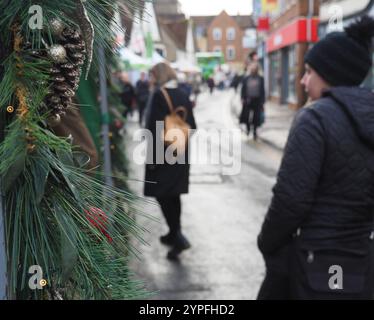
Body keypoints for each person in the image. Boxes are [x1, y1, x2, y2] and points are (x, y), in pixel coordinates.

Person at [257, 16, 374, 300]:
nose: (302, 80)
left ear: (331, 74)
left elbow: (290, 199)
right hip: (361, 266)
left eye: (309, 72)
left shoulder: (314, 118)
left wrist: (267, 243)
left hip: (314, 265)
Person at [144, 62, 197, 260]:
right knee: (173, 196)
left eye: (152, 76)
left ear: (159, 76)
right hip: (181, 154)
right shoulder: (183, 94)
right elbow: (193, 125)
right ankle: (175, 233)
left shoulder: (159, 95)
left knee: (163, 195)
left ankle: (177, 236)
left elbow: (154, 129)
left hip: (163, 156)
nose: (150, 80)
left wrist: (153, 160)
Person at [240, 62, 265, 140]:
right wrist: (242, 98)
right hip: (248, 100)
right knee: (246, 116)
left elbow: (263, 90)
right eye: (252, 68)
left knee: (256, 117)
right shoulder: (246, 78)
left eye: (255, 68)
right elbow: (243, 89)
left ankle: (254, 132)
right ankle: (248, 129)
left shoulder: (261, 78)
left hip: (257, 100)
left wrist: (263, 101)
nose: (253, 69)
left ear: (257, 69)